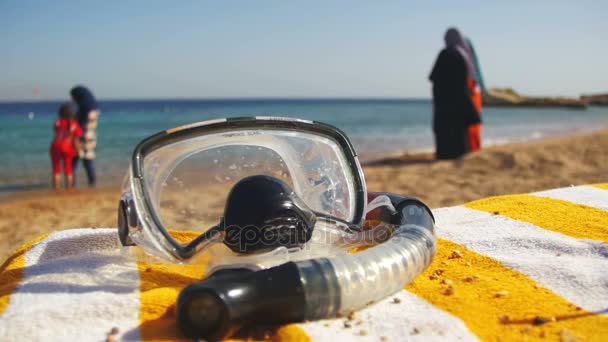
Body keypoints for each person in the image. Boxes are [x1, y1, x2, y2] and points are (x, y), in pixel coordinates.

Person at [429, 28, 481, 159]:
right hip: (458, 107)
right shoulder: (462, 56)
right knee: (459, 142)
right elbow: (464, 85)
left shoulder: (445, 54)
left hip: (443, 108)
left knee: (446, 142)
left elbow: (435, 80)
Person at [70, 85, 99, 187]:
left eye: (73, 96)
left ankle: (71, 184)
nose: (72, 99)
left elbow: (80, 127)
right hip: (90, 137)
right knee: (88, 161)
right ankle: (92, 182)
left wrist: (76, 138)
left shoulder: (84, 110)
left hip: (82, 138)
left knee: (74, 162)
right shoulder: (93, 107)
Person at [50, 104, 82, 190]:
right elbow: (75, 140)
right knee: (68, 169)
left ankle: (56, 189)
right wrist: (79, 151)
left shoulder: (57, 122)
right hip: (66, 147)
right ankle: (68, 189)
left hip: (55, 146)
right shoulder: (73, 124)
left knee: (56, 169)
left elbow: (56, 131)